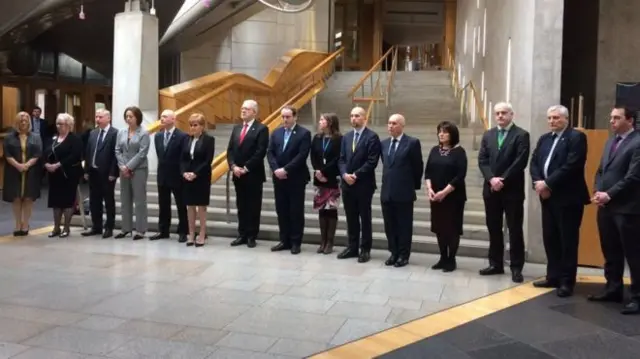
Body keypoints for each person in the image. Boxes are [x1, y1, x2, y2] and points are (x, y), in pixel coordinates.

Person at [529, 105, 590, 297]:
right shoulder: (544, 139)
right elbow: (534, 162)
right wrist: (538, 183)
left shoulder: (576, 137)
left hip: (568, 198)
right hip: (547, 198)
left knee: (567, 241)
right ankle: (552, 276)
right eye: (549, 118)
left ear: (566, 119)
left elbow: (572, 165)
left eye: (556, 118)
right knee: (550, 238)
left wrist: (548, 184)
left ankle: (566, 281)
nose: (551, 121)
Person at [590, 106, 640, 315]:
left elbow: (634, 176)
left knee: (634, 254)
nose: (611, 121)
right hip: (606, 207)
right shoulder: (611, 141)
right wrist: (597, 191)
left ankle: (637, 297)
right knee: (610, 250)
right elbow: (601, 169)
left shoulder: (637, 142)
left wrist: (609, 194)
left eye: (617, 118)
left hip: (627, 209)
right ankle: (613, 288)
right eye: (611, 117)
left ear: (630, 120)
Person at [477, 102, 530, 283]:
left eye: (503, 113)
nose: (500, 116)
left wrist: (503, 180)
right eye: (497, 113)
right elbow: (482, 160)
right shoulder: (488, 135)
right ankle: (496, 264)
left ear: (511, 115)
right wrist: (492, 179)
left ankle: (516, 267)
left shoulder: (521, 135)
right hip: (491, 189)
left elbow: (520, 161)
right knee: (494, 228)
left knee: (515, 229)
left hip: (512, 190)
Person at [337, 106, 381, 263]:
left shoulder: (372, 137)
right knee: (351, 217)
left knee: (365, 217)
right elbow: (341, 159)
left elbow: (372, 161)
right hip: (347, 184)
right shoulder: (347, 137)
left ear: (364, 118)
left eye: (357, 116)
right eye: (351, 116)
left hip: (363, 184)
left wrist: (355, 175)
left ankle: (365, 249)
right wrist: (344, 175)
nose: (353, 118)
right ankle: (352, 246)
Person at [380, 114, 423, 268]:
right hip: (387, 192)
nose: (390, 126)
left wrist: (412, 186)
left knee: (404, 225)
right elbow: (387, 164)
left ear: (402, 126)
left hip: (404, 192)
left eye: (394, 123)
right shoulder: (384, 144)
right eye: (389, 123)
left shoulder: (412, 143)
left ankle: (404, 255)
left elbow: (418, 167)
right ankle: (394, 252)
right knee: (389, 225)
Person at [267, 106, 311, 255]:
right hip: (278, 179)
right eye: (283, 117)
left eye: (288, 117)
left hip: (296, 178)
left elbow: (302, 155)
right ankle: (284, 240)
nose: (285, 120)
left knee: (295, 211)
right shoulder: (276, 133)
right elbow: (270, 153)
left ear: (295, 117)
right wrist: (276, 170)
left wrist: (286, 170)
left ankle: (296, 242)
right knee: (282, 210)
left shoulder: (304, 133)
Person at [424, 121, 467, 272]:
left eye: (445, 132)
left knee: (452, 228)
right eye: (439, 131)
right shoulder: (435, 150)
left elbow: (460, 176)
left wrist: (444, 192)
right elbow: (428, 171)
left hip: (453, 197)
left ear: (453, 134)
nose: (441, 134)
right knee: (439, 228)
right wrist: (430, 189)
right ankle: (443, 257)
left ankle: (451, 259)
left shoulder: (459, 152)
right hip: (436, 196)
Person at [227, 99, 269, 248]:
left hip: (253, 174)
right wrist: (233, 166)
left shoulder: (261, 129)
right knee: (241, 205)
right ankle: (242, 234)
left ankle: (252, 235)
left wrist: (246, 168)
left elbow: (260, 152)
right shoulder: (237, 128)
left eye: (246, 109)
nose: (243, 111)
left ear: (254, 112)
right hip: (237, 174)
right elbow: (230, 150)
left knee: (253, 206)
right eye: (242, 108)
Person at [2, 111, 42, 236]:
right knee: (17, 198)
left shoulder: (36, 136)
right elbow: (7, 154)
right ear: (17, 122)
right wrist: (18, 165)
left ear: (29, 122)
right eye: (21, 120)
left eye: (25, 120)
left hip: (31, 171)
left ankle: (25, 225)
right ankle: (17, 224)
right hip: (14, 171)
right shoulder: (9, 137)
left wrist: (27, 165)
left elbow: (38, 153)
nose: (23, 122)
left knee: (28, 198)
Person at [152, 109, 189, 242]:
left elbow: (184, 157)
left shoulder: (182, 136)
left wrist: (182, 173)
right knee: (163, 205)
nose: (162, 118)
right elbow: (160, 156)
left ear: (173, 119)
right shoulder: (158, 136)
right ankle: (163, 230)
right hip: (162, 175)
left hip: (177, 176)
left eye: (165, 116)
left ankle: (183, 231)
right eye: (161, 116)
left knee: (181, 205)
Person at [44, 113, 83, 238]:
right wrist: (46, 164)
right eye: (57, 124)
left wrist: (59, 164)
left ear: (69, 125)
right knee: (55, 202)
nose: (59, 126)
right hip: (54, 175)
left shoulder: (75, 139)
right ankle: (56, 227)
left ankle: (66, 227)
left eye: (61, 124)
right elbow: (45, 152)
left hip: (68, 174)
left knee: (67, 202)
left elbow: (75, 155)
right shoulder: (53, 138)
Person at [114, 106, 150, 240]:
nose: (128, 119)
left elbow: (142, 153)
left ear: (137, 118)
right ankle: (126, 228)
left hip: (139, 169)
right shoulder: (121, 132)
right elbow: (117, 150)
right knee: (125, 199)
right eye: (126, 116)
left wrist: (129, 167)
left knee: (140, 200)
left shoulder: (144, 133)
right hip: (123, 169)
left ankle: (140, 230)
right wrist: (123, 166)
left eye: (131, 117)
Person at [82, 109, 119, 239]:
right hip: (93, 172)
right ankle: (96, 226)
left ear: (108, 118)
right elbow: (88, 152)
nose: (98, 119)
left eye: (101, 117)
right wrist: (86, 170)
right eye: (96, 117)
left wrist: (113, 172)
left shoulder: (115, 133)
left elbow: (116, 155)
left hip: (107, 173)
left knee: (108, 201)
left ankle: (109, 227)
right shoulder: (93, 133)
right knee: (94, 200)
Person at [181, 113, 215, 247]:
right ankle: (191, 234)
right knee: (189, 206)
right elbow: (182, 159)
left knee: (201, 206)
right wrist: (184, 172)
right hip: (187, 177)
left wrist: (195, 173)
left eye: (195, 125)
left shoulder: (209, 140)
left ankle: (201, 234)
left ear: (202, 126)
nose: (192, 128)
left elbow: (207, 160)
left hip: (201, 177)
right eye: (191, 125)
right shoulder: (186, 139)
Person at [310, 113, 342, 254]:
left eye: (322, 120)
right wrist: (317, 170)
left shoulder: (339, 139)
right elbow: (313, 156)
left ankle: (330, 242)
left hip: (332, 178)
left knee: (331, 210)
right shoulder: (317, 138)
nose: (320, 122)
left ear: (330, 122)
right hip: (319, 178)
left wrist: (324, 172)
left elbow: (337, 158)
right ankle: (322, 241)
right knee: (322, 210)